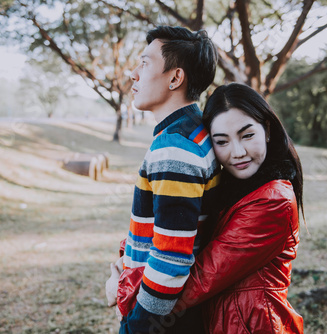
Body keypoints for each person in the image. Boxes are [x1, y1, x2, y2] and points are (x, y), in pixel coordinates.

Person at [115, 82, 305, 333]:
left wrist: (125, 282)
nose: (237, 152)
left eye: (247, 135)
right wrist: (127, 255)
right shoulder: (226, 185)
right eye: (221, 141)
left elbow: (199, 281)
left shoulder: (274, 201)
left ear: (267, 130)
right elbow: (175, 231)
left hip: (250, 326)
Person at [104, 26, 220, 333]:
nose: (133, 73)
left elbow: (171, 257)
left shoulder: (175, 147)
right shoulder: (193, 132)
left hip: (166, 319)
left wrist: (138, 325)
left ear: (175, 78)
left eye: (144, 63)